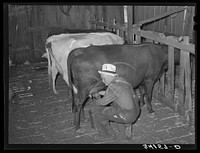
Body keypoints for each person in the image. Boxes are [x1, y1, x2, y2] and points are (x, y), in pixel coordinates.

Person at [89, 63, 140, 140]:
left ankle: (107, 135)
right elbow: (112, 94)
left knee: (96, 110)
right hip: (135, 111)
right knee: (115, 103)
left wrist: (96, 101)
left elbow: (103, 102)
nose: (103, 81)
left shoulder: (114, 86)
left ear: (110, 76)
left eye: (104, 78)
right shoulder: (121, 81)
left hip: (127, 115)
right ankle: (123, 126)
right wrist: (99, 92)